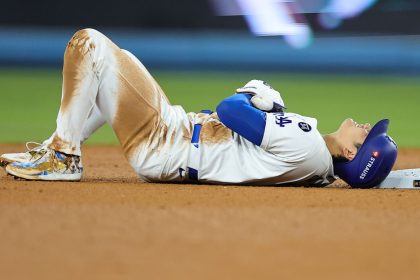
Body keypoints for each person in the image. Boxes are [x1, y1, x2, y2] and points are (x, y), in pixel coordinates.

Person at [0, 29, 398, 188]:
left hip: (167, 142)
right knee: (112, 65)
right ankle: (58, 146)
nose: (364, 125)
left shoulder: (310, 144)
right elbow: (233, 130)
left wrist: (250, 92)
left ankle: (63, 156)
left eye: (367, 134)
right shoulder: (319, 171)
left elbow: (231, 111)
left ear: (350, 154)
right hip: (176, 144)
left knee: (88, 43)